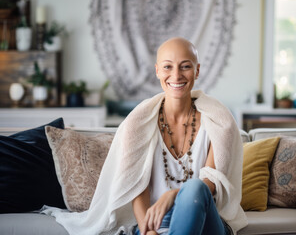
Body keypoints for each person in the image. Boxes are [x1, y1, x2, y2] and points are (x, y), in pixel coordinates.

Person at [42, 37, 247, 235]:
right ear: (157, 71)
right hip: (155, 222)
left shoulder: (218, 122)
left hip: (205, 221)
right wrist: (148, 231)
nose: (176, 75)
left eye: (185, 66)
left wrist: (172, 196)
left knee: (194, 188)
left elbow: (209, 185)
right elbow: (136, 187)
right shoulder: (139, 124)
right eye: (168, 67)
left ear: (197, 70)